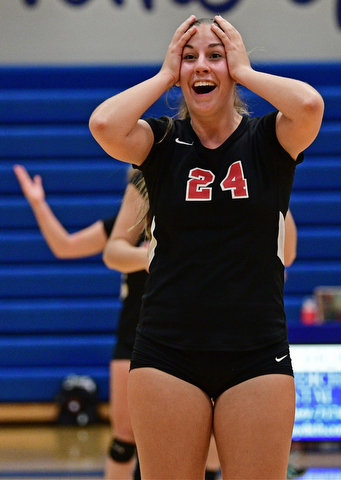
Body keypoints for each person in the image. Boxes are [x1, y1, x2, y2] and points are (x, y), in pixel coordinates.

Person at [89, 15, 324, 479]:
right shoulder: (159, 142)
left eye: (215, 56)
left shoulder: (268, 139)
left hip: (257, 353)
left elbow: (310, 105)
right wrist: (161, 75)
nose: (202, 66)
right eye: (189, 57)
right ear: (178, 71)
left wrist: (246, 70)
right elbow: (104, 124)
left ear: (232, 68)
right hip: (166, 352)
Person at [13, 164, 148, 480]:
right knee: (124, 439)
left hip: (180, 339)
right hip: (132, 339)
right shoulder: (124, 228)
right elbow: (66, 246)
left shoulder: (191, 224)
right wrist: (38, 203)